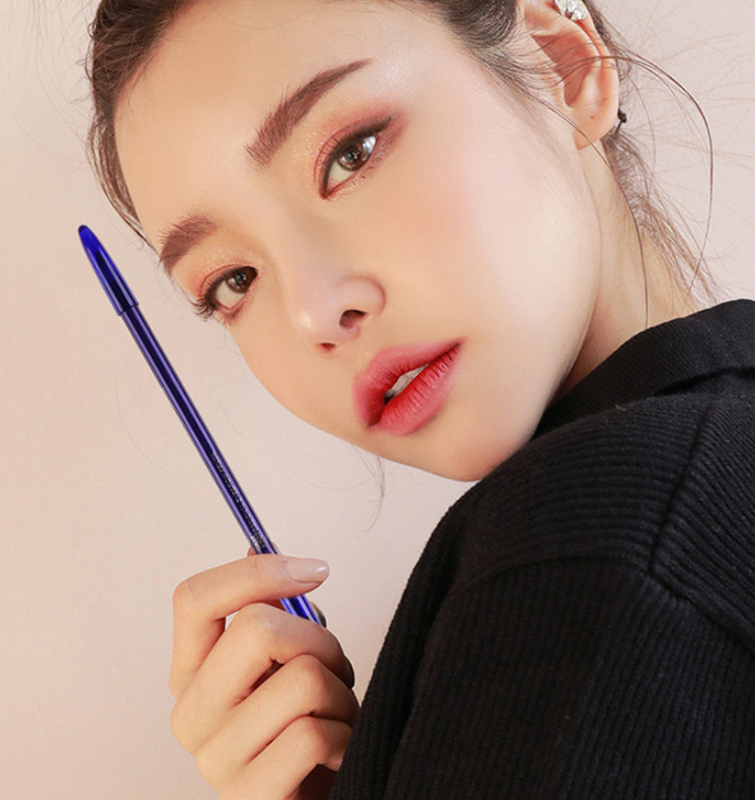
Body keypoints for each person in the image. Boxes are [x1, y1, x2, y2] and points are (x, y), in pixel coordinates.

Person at [83, 0, 755, 797]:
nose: (313, 313)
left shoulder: (586, 539)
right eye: (235, 279)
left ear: (561, 64)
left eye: (349, 154)